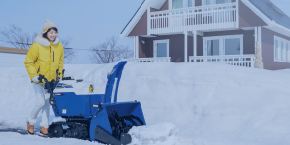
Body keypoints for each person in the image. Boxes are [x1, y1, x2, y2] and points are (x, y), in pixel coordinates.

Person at [24, 19, 64, 136]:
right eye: (51, 32)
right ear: (45, 33)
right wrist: (34, 76)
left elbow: (60, 62)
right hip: (38, 79)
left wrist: (59, 75)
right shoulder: (37, 45)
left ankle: (44, 127)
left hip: (50, 80)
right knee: (40, 102)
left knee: (47, 104)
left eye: (55, 32)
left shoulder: (59, 46)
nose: (53, 35)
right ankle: (31, 122)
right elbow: (29, 62)